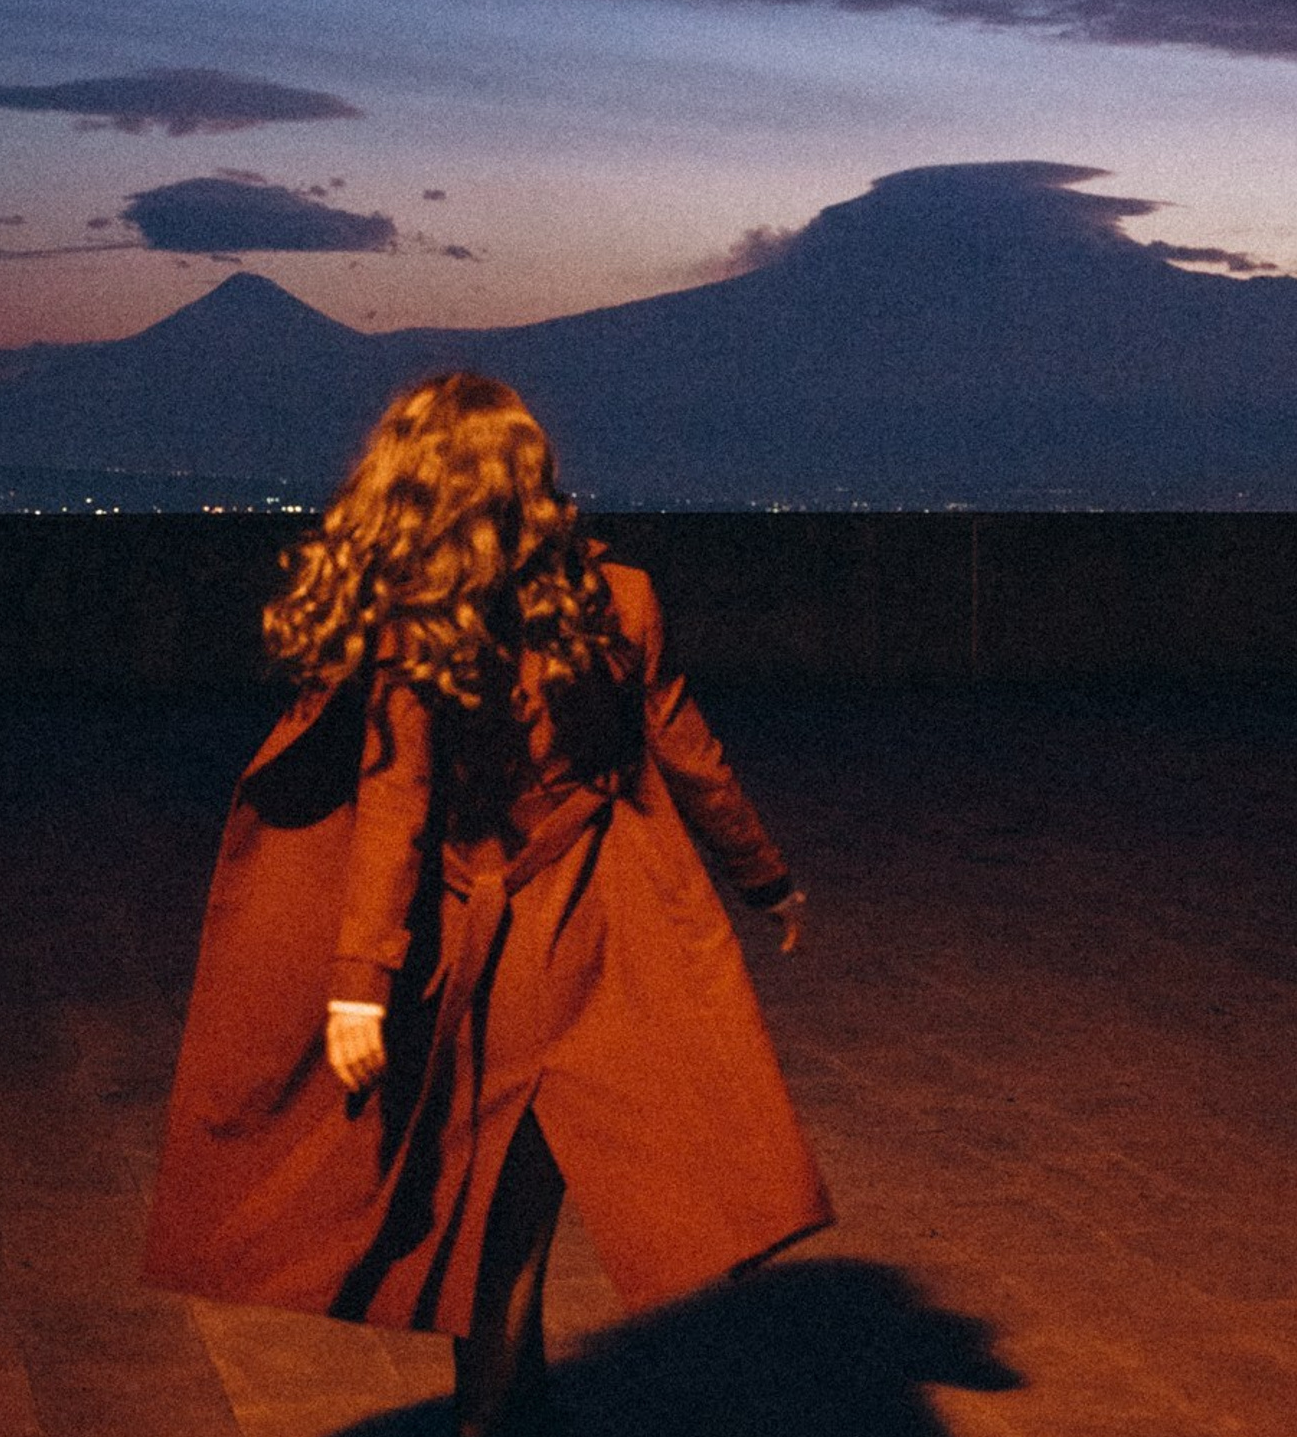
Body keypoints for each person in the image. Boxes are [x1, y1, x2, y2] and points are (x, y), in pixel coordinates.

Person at [143, 372, 832, 1436]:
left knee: (496, 1200)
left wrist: (359, 988)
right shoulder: (622, 597)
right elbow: (692, 757)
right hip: (602, 934)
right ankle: (508, 1404)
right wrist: (765, 877)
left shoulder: (421, 628)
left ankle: (498, 1408)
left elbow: (396, 806)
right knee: (514, 1203)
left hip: (488, 942)